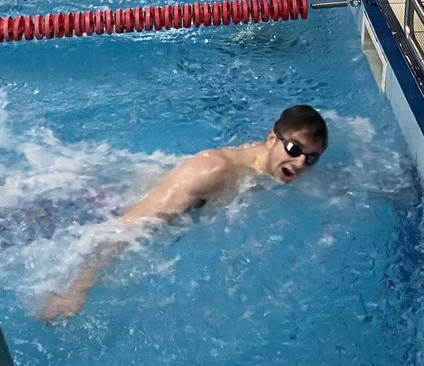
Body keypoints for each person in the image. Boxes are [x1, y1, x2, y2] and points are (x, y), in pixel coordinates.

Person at [40, 105, 328, 321]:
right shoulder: (214, 169)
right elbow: (128, 225)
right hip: (99, 209)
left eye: (310, 157)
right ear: (271, 138)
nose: (301, 162)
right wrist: (78, 287)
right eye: (294, 148)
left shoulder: (266, 166)